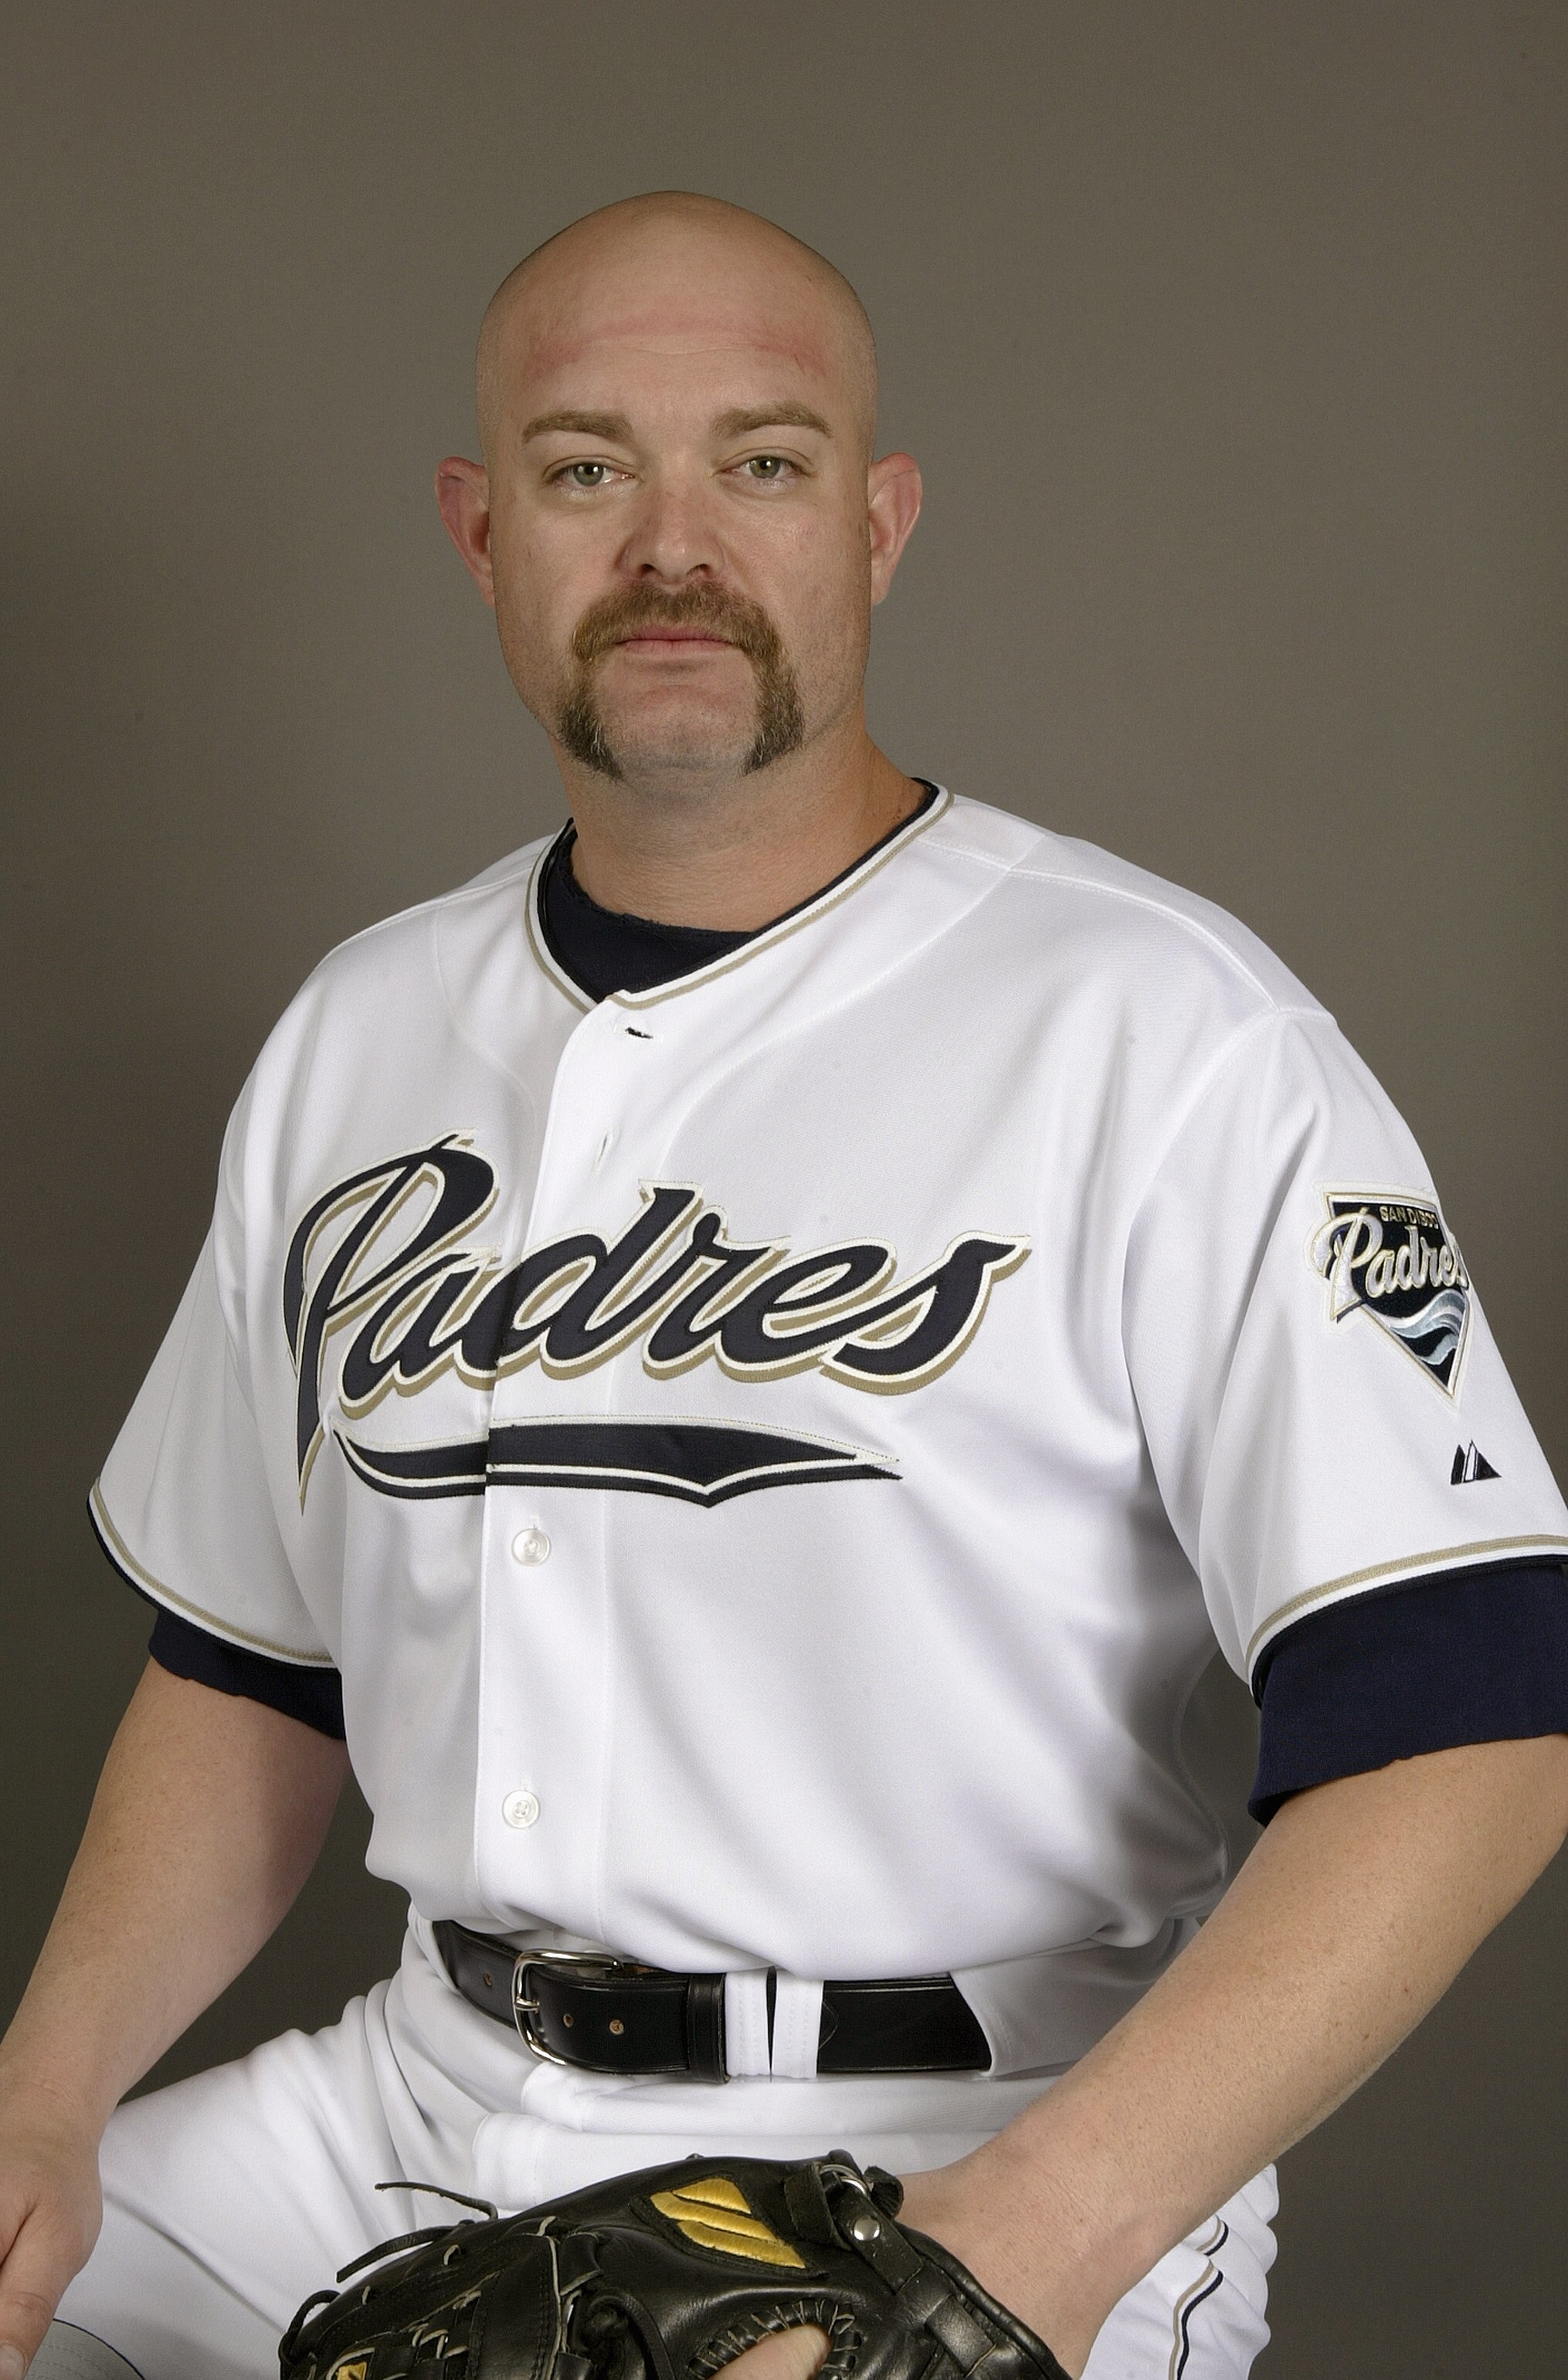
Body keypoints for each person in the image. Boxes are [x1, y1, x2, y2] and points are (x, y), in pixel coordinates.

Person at [2, 191, 1565, 2380]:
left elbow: (1471, 1724)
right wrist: (46, 2091)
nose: (671, 542)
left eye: (761, 460)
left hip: (990, 2128)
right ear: (480, 532)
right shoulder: (360, 1034)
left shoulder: (1163, 1026)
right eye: (582, 469)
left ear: (878, 521)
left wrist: (1024, 2243)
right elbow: (249, 1668)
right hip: (418, 2098)